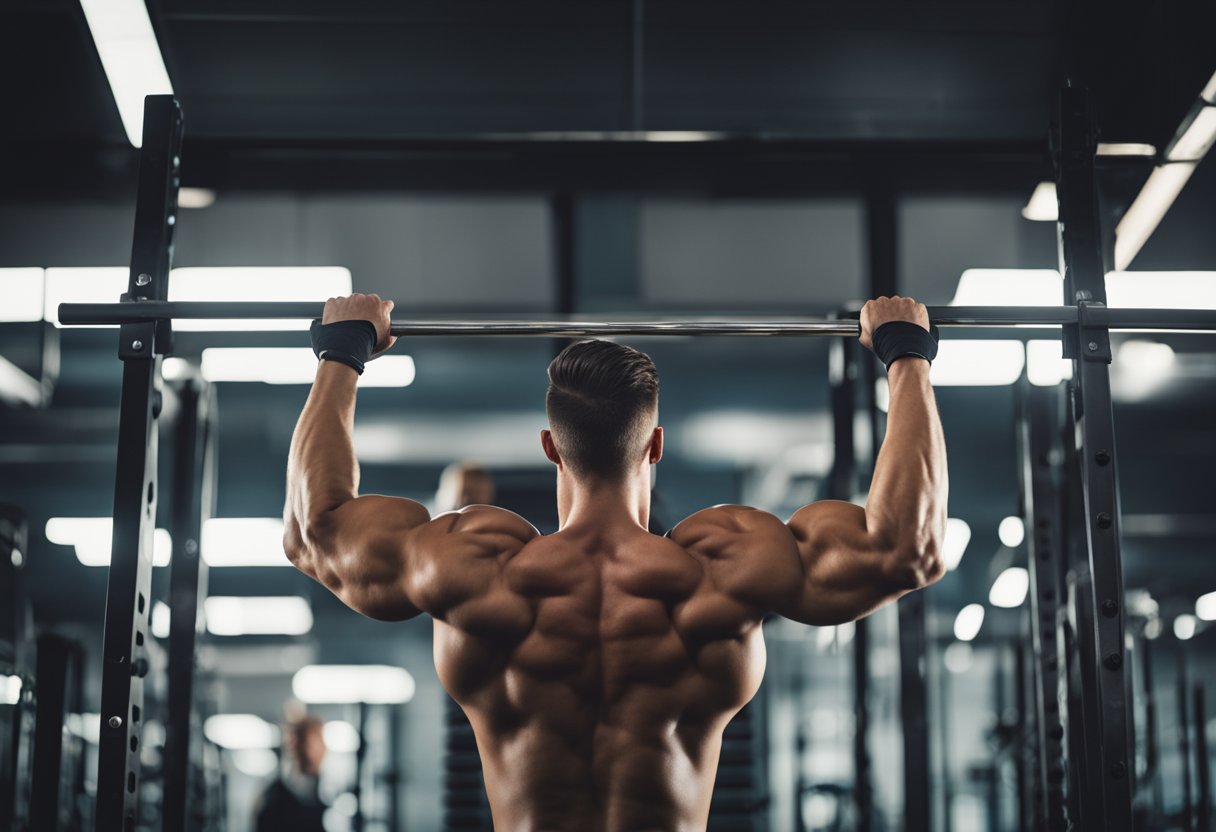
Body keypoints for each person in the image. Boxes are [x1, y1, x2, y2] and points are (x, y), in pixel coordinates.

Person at [284, 294, 948, 831]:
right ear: (655, 444)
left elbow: (315, 532)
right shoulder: (722, 572)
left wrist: (341, 352)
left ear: (550, 446)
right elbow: (908, 547)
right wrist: (905, 354)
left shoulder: (473, 570)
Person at [252, 714, 327, 832]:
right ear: (295, 746)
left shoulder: (320, 793)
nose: (323, 750)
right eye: (313, 744)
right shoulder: (274, 798)